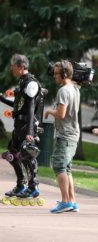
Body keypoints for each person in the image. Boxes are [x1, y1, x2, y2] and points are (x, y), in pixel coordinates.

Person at [0, 54, 44, 198]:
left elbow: (30, 109)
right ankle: (21, 184)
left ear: (21, 67)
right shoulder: (22, 82)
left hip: (26, 126)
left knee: (26, 155)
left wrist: (30, 131)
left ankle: (33, 187)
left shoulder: (31, 83)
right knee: (11, 154)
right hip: (19, 125)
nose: (11, 68)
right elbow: (19, 106)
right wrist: (4, 99)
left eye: (13, 66)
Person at [44, 60, 80, 213]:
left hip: (65, 135)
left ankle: (65, 201)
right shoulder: (75, 88)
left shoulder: (64, 91)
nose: (54, 76)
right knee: (67, 168)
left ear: (64, 74)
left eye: (56, 73)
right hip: (72, 134)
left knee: (59, 165)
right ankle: (71, 201)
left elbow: (61, 114)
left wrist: (49, 111)